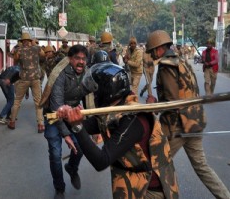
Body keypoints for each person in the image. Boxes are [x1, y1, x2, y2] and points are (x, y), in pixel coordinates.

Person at [56, 63, 179, 199]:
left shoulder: (132, 119)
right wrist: (68, 117)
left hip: (149, 188)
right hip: (131, 180)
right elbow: (88, 126)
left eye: (95, 91)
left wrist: (77, 127)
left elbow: (101, 161)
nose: (94, 95)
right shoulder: (115, 110)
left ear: (106, 91)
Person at [145, 30, 230, 199]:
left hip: (177, 126)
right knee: (202, 167)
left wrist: (154, 105)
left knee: (155, 164)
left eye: (153, 50)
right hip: (195, 122)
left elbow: (172, 101)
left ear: (160, 48)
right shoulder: (182, 61)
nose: (152, 53)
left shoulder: (166, 66)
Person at [39, 44, 88, 199]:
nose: (81, 62)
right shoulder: (60, 74)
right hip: (55, 115)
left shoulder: (87, 74)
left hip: (72, 114)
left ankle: (72, 168)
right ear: (69, 59)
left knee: (80, 147)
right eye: (77, 58)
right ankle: (59, 188)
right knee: (55, 154)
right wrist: (66, 135)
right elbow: (56, 106)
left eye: (83, 58)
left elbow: (91, 97)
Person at [7, 32, 45, 133]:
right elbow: (43, 55)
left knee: (17, 101)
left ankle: (12, 122)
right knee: (38, 102)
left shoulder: (19, 50)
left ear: (22, 41)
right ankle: (41, 124)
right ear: (30, 40)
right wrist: (35, 45)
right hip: (36, 79)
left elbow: (15, 60)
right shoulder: (36, 48)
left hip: (24, 79)